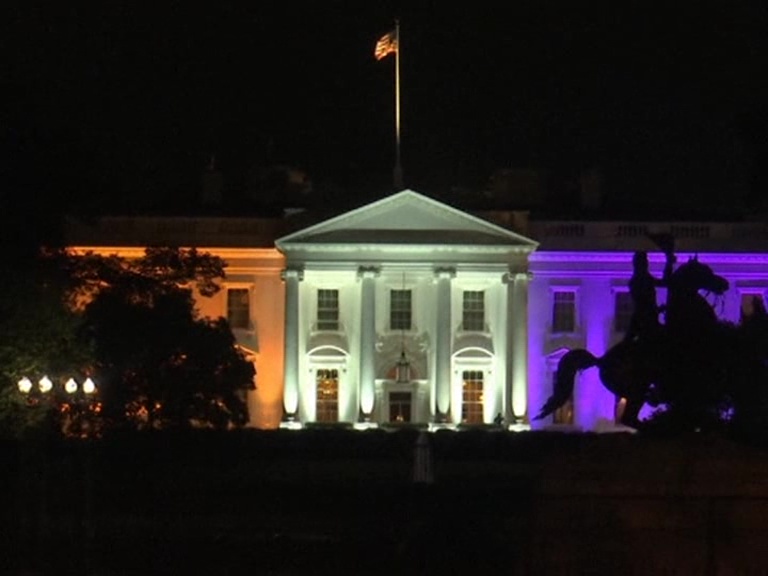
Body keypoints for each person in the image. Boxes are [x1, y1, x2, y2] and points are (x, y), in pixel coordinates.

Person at [625, 236, 676, 343]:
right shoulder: (639, 280)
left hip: (647, 318)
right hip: (643, 320)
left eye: (646, 261)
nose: (647, 264)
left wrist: (669, 263)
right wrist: (668, 262)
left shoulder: (644, 279)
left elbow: (665, 283)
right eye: (644, 262)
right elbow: (643, 305)